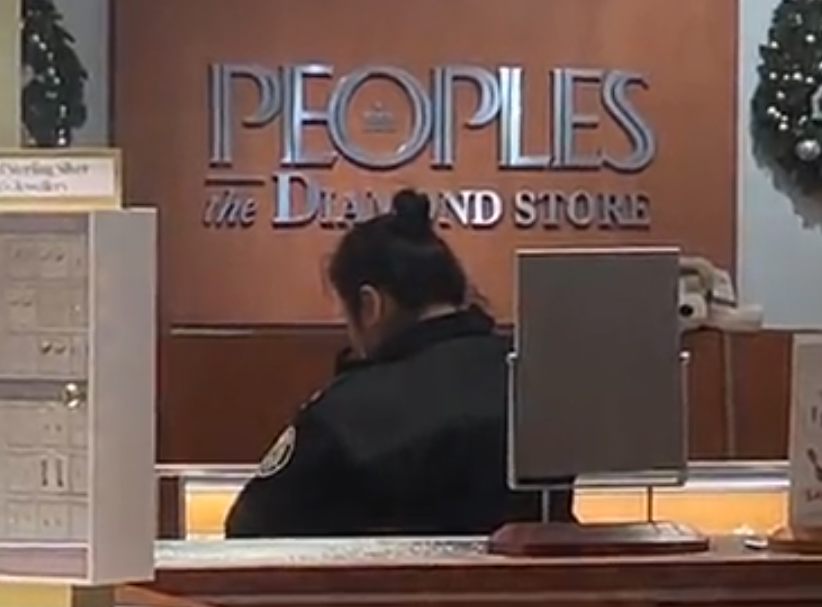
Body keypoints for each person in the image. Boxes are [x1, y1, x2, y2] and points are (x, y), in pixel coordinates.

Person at [225, 189, 573, 538]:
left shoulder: (349, 412)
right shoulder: (538, 381)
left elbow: (249, 530)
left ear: (371, 305)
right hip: (545, 590)